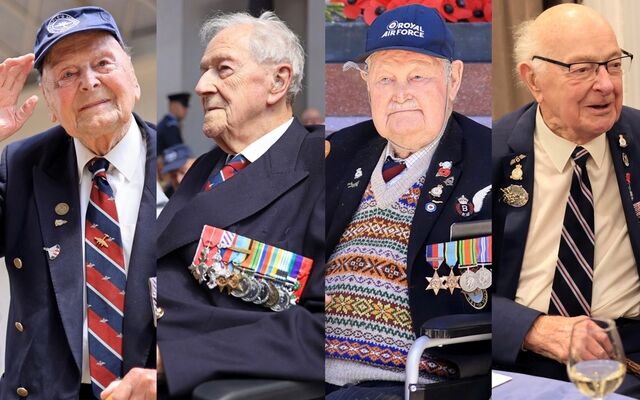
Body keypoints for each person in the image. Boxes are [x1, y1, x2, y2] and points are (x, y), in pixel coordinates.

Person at [325, 4, 492, 399]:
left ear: (454, 79)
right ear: (366, 84)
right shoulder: (337, 154)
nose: (400, 94)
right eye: (385, 78)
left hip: (407, 384)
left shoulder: (488, 160)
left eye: (418, 76)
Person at [155, 11, 324, 398]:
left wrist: (178, 357)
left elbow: (329, 327)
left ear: (277, 82)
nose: (201, 86)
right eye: (203, 71)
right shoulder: (205, 169)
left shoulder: (323, 165)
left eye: (222, 69)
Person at [0, 7, 156, 400]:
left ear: (133, 78)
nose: (89, 82)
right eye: (67, 74)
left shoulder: (184, 168)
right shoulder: (19, 166)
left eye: (103, 62)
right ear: (51, 105)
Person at [493, 3, 640, 396]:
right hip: (521, 359)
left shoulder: (639, 141)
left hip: (625, 359)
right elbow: (448, 291)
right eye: (582, 69)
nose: (606, 85)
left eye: (612, 64)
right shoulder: (488, 155)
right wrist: (530, 328)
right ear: (534, 80)